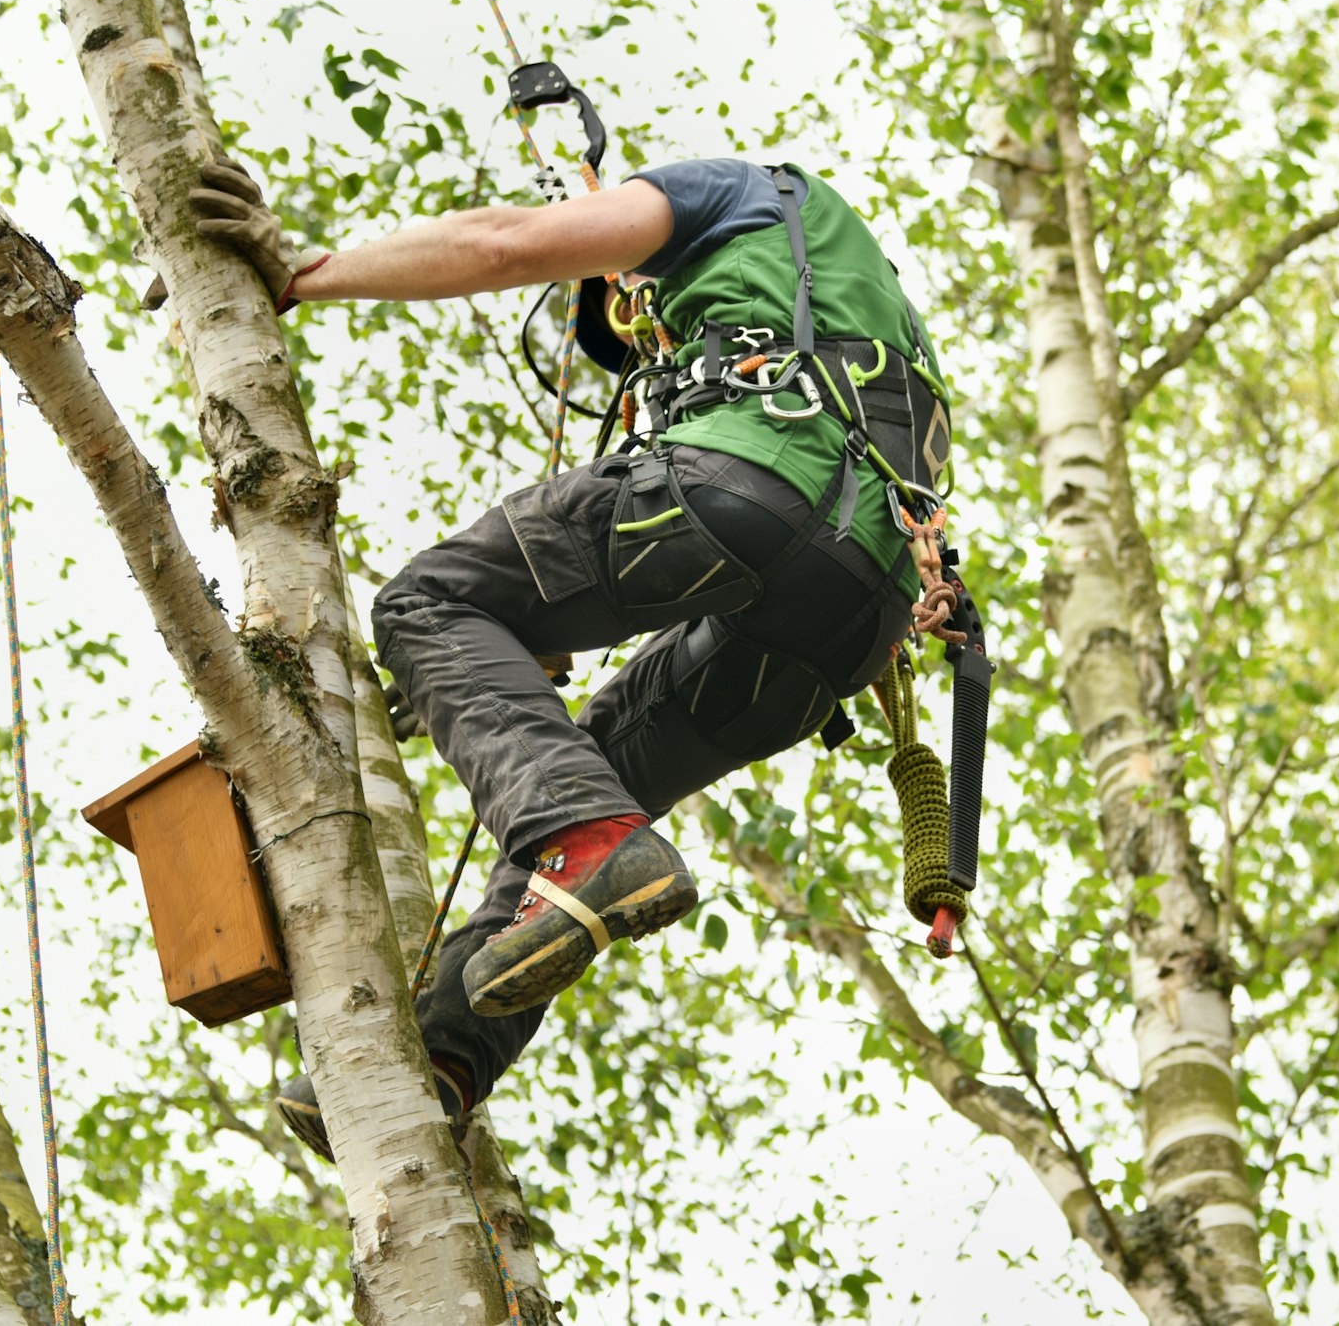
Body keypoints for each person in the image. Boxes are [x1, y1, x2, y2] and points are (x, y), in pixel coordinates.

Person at [179, 156, 954, 1160]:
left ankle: (582, 846)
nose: (636, 325)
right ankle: (449, 1050)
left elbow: (504, 242)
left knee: (426, 601)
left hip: (750, 483)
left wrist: (303, 269)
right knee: (597, 774)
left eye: (624, 305)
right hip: (851, 616)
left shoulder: (724, 193)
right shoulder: (860, 298)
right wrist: (496, 660)